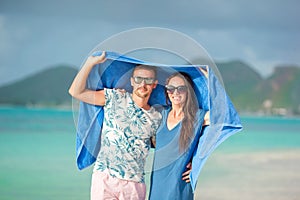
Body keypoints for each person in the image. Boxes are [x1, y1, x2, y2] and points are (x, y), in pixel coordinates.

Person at [68, 51, 162, 200]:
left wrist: (189, 163)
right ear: (132, 81)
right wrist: (89, 63)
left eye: (148, 80)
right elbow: (76, 91)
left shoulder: (157, 116)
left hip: (134, 184)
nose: (143, 84)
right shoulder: (114, 97)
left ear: (155, 84)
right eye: (139, 79)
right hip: (105, 177)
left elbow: (165, 145)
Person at [149, 72, 209, 200]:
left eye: (181, 88)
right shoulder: (160, 114)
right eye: (171, 88)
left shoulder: (197, 117)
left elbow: (224, 114)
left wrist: (210, 79)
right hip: (157, 186)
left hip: (179, 186)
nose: (175, 93)